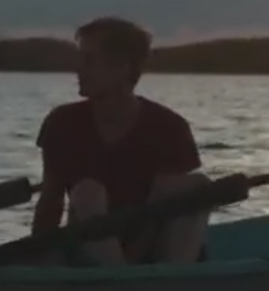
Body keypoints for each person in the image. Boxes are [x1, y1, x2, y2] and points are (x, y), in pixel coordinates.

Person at [30, 16, 212, 266]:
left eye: (89, 60)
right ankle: (118, 276)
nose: (78, 69)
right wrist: (37, 263)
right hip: (88, 249)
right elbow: (50, 204)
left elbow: (156, 215)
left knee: (196, 185)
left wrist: (134, 261)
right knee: (87, 192)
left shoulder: (169, 127)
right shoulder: (61, 122)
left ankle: (165, 278)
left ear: (122, 68)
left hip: (155, 251)